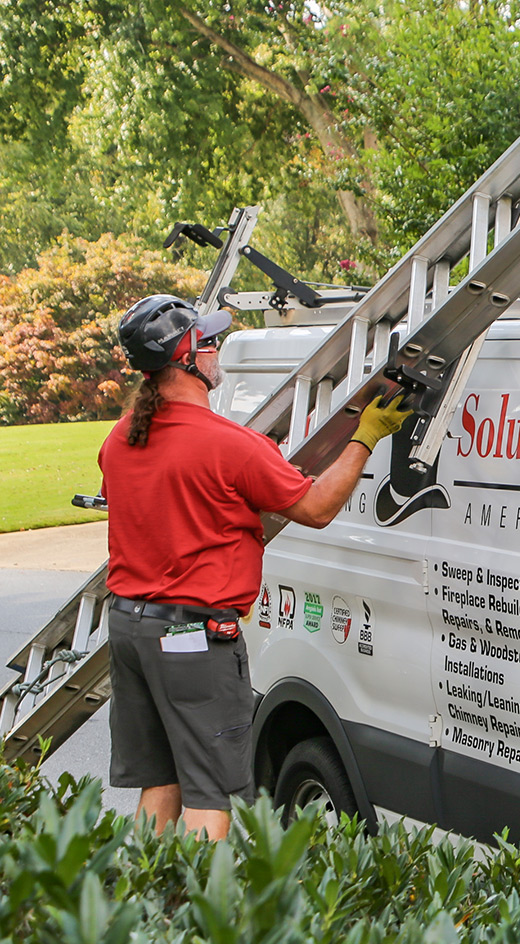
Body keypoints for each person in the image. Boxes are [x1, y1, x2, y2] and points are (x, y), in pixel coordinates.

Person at [99, 293, 410, 839]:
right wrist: (366, 436)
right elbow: (314, 508)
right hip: (191, 638)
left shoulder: (120, 438)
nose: (218, 347)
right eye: (209, 340)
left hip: (129, 629)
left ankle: (143, 903)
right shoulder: (230, 445)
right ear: (186, 357)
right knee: (209, 794)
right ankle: (205, 917)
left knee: (162, 781)